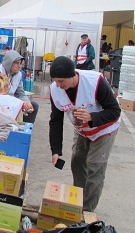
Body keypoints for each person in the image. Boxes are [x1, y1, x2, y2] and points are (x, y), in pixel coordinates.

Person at [48, 56, 121, 212]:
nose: (59, 85)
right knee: (78, 161)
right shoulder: (55, 90)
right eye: (55, 81)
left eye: (61, 81)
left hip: (104, 127)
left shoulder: (94, 82)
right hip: (82, 129)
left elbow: (115, 111)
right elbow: (55, 121)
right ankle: (78, 201)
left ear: (71, 75)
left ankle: (87, 211)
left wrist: (92, 117)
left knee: (95, 166)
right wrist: (56, 150)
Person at [0, 50, 38, 124]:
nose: (19, 66)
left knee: (33, 105)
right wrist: (16, 102)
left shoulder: (18, 74)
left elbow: (20, 93)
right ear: (9, 63)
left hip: (8, 101)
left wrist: (26, 102)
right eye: (16, 63)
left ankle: (24, 130)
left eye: (20, 63)